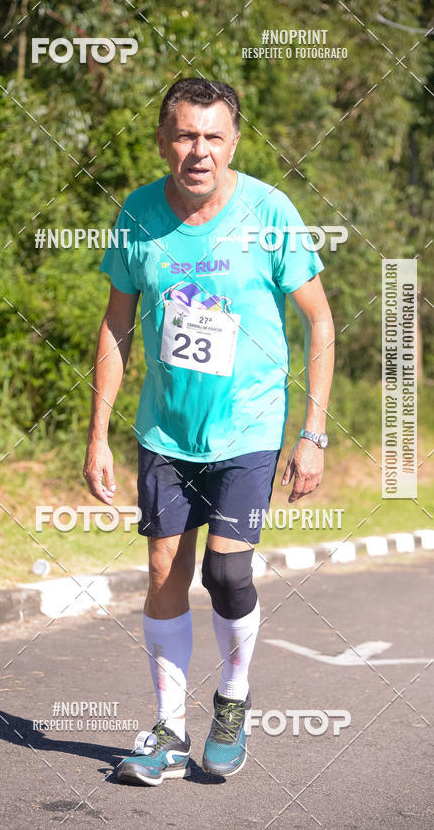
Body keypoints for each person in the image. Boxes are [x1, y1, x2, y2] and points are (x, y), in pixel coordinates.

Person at [83, 77, 334, 786]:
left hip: (249, 424)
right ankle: (167, 727)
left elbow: (319, 319)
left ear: (234, 142)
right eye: (186, 135)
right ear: (165, 140)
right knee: (164, 569)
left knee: (227, 570)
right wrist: (98, 432)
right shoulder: (137, 215)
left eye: (213, 136)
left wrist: (312, 431)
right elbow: (116, 324)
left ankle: (232, 697)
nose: (200, 150)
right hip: (166, 428)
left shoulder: (268, 212)